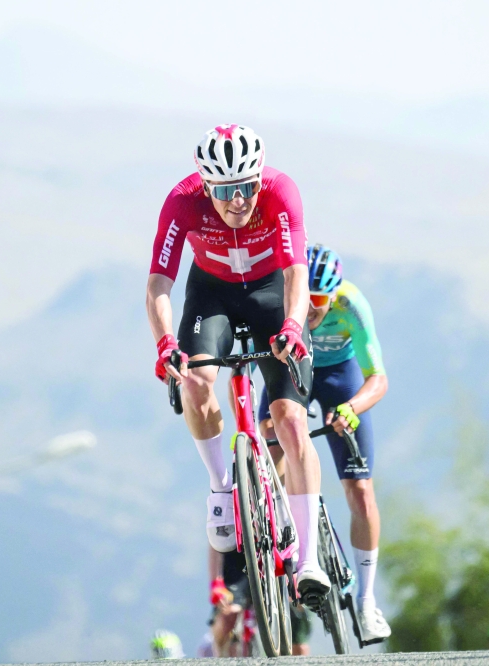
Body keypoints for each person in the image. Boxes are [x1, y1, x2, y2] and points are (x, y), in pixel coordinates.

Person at [146, 124, 329, 599]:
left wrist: (292, 325)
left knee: (289, 419)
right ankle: (221, 487)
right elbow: (158, 285)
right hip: (214, 292)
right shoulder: (183, 200)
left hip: (271, 293)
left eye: (246, 186)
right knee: (196, 378)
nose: (239, 201)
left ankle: (308, 561)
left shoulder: (280, 191)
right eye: (225, 191)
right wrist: (166, 343)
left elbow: (295, 272)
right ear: (205, 187)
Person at [259, 244, 391, 643]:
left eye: (319, 300)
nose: (312, 309)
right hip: (292, 363)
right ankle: (287, 525)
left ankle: (367, 603)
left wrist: (351, 408)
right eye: (305, 297)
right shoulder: (282, 297)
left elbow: (378, 378)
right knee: (270, 434)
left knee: (361, 491)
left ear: (334, 294)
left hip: (339, 377)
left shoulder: (351, 304)